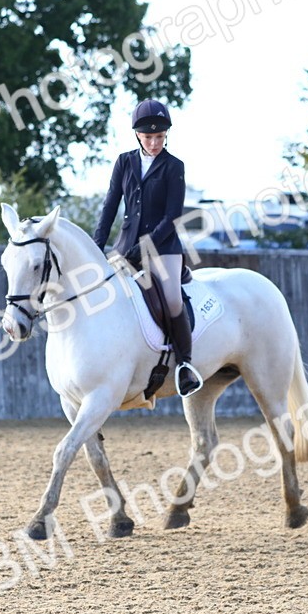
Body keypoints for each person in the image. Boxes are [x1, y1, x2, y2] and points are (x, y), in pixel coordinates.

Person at [92, 99, 202, 397]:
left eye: (160, 137)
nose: (154, 143)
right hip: (125, 247)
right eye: (148, 137)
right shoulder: (124, 162)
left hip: (164, 248)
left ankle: (185, 365)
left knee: (172, 300)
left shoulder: (173, 166)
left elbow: (173, 216)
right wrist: (96, 246)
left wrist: (146, 247)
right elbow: (110, 207)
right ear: (137, 135)